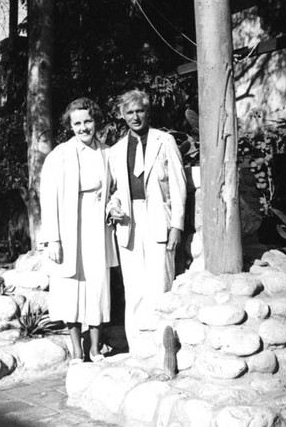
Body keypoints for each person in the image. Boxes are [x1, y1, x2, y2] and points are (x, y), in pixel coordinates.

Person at [40, 97, 118, 364]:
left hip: (97, 227)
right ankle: (76, 349)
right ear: (70, 126)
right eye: (77, 123)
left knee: (97, 286)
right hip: (69, 228)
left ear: (95, 121)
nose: (84, 127)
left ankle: (95, 348)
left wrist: (113, 205)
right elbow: (47, 200)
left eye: (88, 121)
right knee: (71, 288)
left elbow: (115, 190)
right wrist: (53, 239)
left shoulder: (108, 153)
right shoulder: (58, 156)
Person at [108, 89, 186, 352]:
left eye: (139, 111)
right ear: (122, 116)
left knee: (161, 283)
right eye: (129, 112)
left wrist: (177, 226)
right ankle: (139, 348)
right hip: (129, 224)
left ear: (147, 111)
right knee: (134, 288)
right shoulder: (117, 150)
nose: (135, 117)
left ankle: (164, 348)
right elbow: (114, 191)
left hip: (159, 222)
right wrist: (113, 207)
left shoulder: (164, 141)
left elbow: (178, 185)